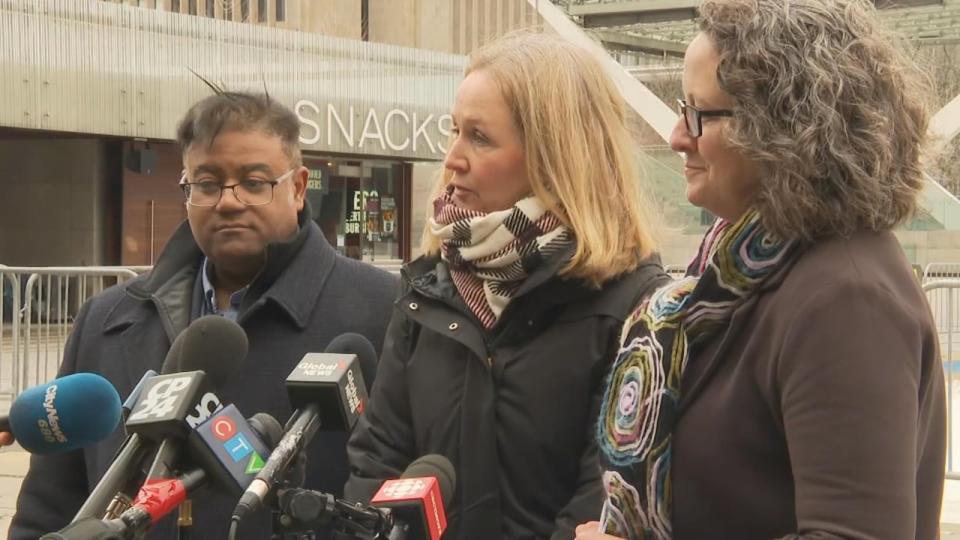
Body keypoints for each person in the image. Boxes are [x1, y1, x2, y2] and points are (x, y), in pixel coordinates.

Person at [576, 1, 946, 539]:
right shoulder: (746, 272)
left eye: (699, 113)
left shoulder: (847, 300)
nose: (678, 136)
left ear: (785, 128)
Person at [9, 92, 398, 539]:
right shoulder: (107, 321)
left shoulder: (380, 313)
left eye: (254, 182)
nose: (228, 202)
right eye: (207, 184)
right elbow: (49, 504)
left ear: (297, 187)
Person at [344, 30, 668, 540]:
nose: (452, 158)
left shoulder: (634, 307)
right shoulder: (427, 289)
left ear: (556, 157)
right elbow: (376, 467)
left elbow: (604, 500)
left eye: (480, 136)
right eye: (454, 131)